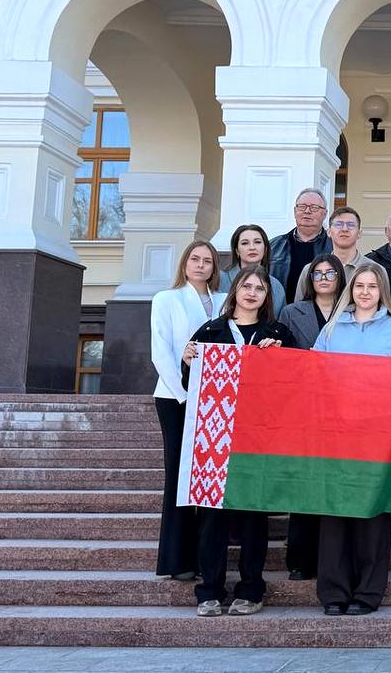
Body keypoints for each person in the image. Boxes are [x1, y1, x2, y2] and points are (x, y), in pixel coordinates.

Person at [180, 266, 297, 617]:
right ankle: (209, 591)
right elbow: (192, 384)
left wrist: (280, 354)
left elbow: (293, 382)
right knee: (213, 517)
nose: (252, 293)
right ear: (235, 291)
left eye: (260, 289)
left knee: (252, 517)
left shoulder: (277, 333)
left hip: (259, 438)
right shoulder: (211, 331)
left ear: (267, 297)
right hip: (215, 439)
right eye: (246, 286)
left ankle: (251, 589)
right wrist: (188, 361)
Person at [311, 261, 391, 615]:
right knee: (334, 515)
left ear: (381, 292)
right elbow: (311, 374)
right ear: (351, 290)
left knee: (372, 515)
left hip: (378, 435)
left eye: (372, 286)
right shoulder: (331, 330)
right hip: (336, 435)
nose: (365, 292)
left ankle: (368, 593)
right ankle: (334, 593)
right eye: (360, 285)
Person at [149, 239, 223, 583]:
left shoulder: (223, 301)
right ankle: (177, 559)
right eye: (194, 258)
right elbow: (160, 350)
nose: (200, 265)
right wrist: (183, 394)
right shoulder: (167, 299)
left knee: (206, 478)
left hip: (215, 399)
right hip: (175, 397)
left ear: (214, 267)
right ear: (184, 263)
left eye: (207, 260)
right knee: (179, 475)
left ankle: (205, 555)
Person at [277, 254, 348, 582]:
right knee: (304, 482)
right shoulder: (292, 312)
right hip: (305, 407)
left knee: (335, 483)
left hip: (343, 409)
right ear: (309, 279)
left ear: (339, 277)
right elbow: (285, 358)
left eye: (329, 272)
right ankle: (301, 559)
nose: (323, 278)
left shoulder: (351, 312)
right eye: (317, 273)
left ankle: (332, 558)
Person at [269, 188, 333, 303]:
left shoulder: (334, 247)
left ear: (324, 214)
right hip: (279, 314)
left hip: (320, 315)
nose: (307, 211)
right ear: (295, 211)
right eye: (302, 207)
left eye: (314, 207)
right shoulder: (273, 246)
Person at [295, 207, 368, 300]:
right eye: (338, 224)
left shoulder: (375, 269)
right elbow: (299, 310)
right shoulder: (311, 270)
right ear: (329, 232)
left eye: (350, 225)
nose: (344, 229)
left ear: (359, 233)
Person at [220, 224, 286, 317]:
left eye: (257, 242)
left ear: (265, 249)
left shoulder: (276, 286)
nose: (252, 247)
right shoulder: (220, 280)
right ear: (237, 251)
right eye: (245, 243)